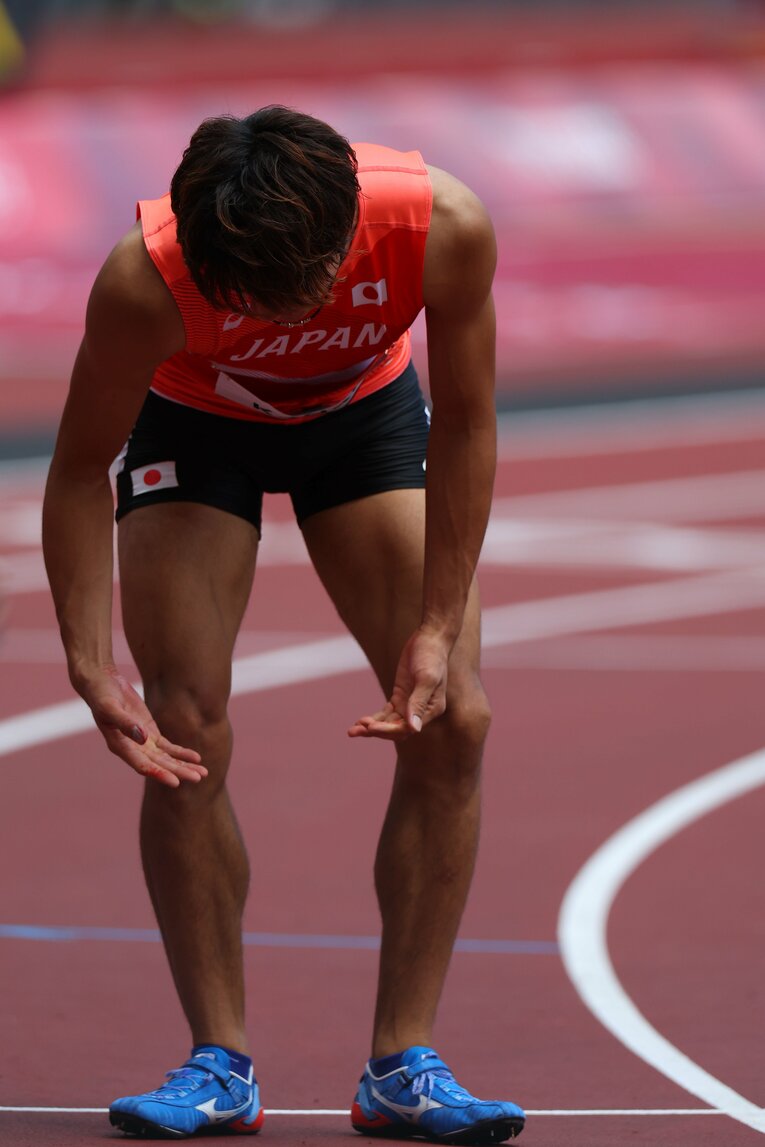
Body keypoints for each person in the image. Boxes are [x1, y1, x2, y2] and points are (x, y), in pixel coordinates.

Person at [42, 105, 525, 1143]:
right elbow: (81, 467)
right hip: (198, 422)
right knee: (178, 727)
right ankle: (219, 1061)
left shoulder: (442, 224)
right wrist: (89, 664)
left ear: (342, 237)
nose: (274, 317)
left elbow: (475, 420)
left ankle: (404, 1063)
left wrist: (439, 623)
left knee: (456, 716)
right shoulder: (145, 281)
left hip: (363, 419)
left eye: (290, 292)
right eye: (245, 299)